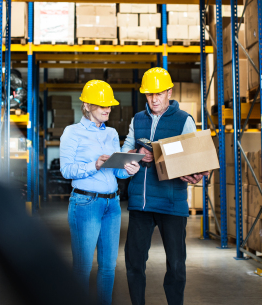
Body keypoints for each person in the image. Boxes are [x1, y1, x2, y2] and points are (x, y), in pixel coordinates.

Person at [121, 67, 209, 305]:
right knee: (134, 262)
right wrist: (136, 154)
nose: (154, 99)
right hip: (141, 202)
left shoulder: (184, 120)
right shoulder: (137, 119)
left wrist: (197, 171)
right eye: (149, 94)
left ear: (170, 92)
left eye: (159, 93)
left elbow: (196, 158)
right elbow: (125, 150)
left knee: (177, 264)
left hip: (172, 203)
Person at [60, 80, 140, 305]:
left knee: (108, 268)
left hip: (112, 205)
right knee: (83, 267)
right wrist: (93, 165)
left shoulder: (112, 133)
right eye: (101, 105)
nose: (107, 109)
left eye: (109, 105)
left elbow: (116, 173)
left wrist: (129, 170)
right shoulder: (72, 133)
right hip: (86, 203)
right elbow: (66, 171)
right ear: (86, 105)